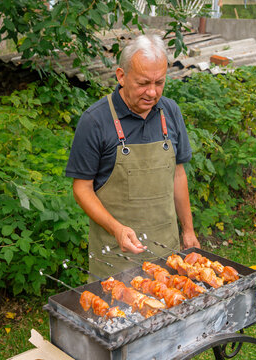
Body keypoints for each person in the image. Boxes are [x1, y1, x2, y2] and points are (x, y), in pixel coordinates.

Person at [65, 34, 200, 279]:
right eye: (143, 83)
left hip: (166, 251)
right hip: (116, 258)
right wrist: (116, 229)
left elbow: (178, 174)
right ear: (121, 76)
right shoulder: (95, 121)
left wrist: (188, 230)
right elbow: (81, 189)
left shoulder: (171, 112)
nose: (152, 92)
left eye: (159, 82)